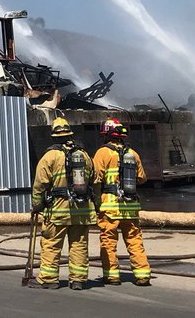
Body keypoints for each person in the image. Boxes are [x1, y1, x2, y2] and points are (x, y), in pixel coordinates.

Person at [29, 116, 95, 290]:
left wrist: (37, 205)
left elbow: (39, 184)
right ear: (70, 135)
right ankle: (78, 280)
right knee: (79, 245)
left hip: (58, 210)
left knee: (51, 244)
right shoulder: (84, 155)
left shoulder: (49, 157)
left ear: (53, 136)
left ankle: (49, 279)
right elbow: (94, 179)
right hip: (82, 210)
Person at [93, 117, 151, 287]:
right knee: (134, 239)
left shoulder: (102, 153)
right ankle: (142, 275)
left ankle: (112, 276)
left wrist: (96, 201)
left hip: (110, 206)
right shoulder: (132, 153)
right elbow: (142, 178)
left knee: (109, 241)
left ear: (106, 135)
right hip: (130, 206)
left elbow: (96, 178)